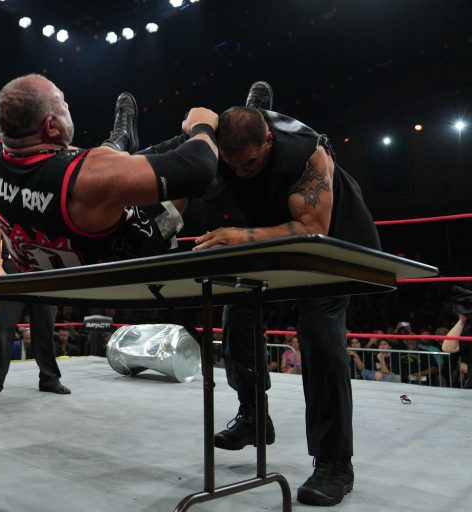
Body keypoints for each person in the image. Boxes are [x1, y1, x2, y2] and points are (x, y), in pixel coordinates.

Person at [192, 81, 381, 507]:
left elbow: (313, 227)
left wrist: (239, 236)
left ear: (269, 139)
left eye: (250, 163)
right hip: (270, 235)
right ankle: (254, 416)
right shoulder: (218, 145)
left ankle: (335, 463)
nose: (241, 172)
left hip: (328, 241)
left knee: (320, 334)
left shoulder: (308, 154)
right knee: (235, 316)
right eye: (233, 165)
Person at [0, 74, 219, 396]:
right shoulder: (88, 178)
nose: (68, 106)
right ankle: (132, 143)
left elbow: (67, 160)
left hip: (39, 268)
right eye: (63, 103)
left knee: (103, 168)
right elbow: (196, 169)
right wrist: (203, 125)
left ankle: (120, 141)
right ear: (51, 126)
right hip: (111, 265)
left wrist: (106, 158)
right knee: (179, 191)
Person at [0, 215, 65, 399]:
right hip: (13, 267)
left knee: (45, 327)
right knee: (5, 327)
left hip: (43, 268)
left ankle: (49, 379)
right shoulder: (3, 200)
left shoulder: (46, 201)